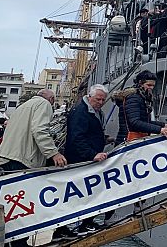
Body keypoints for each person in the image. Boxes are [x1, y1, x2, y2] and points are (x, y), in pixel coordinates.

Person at [64, 85, 109, 235]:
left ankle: (86, 222)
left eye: (103, 100)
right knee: (84, 193)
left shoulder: (94, 111)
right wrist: (92, 154)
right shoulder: (81, 112)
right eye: (98, 99)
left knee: (90, 193)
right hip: (81, 160)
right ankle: (75, 225)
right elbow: (76, 138)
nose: (101, 102)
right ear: (90, 97)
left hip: (89, 159)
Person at [0, 89, 67, 171]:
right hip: (22, 160)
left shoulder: (21, 107)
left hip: (4, 157)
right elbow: (40, 130)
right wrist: (53, 153)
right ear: (51, 99)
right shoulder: (44, 104)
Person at [116, 71, 167, 144]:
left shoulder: (139, 97)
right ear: (140, 83)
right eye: (148, 85)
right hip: (129, 140)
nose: (151, 88)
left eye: (153, 86)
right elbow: (135, 122)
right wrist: (160, 129)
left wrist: (163, 125)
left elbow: (143, 121)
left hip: (133, 140)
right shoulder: (133, 98)